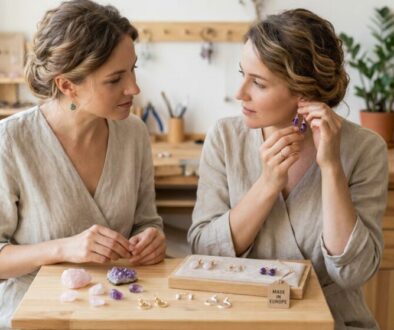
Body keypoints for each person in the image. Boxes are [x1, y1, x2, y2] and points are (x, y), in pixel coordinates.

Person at [188, 8, 387, 330]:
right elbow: (204, 251)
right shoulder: (225, 137)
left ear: (304, 91)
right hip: (239, 319)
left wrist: (332, 167)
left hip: (335, 322)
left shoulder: (365, 149)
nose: (240, 94)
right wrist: (267, 185)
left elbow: (353, 272)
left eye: (259, 83)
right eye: (243, 75)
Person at [0, 1, 166, 327]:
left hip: (119, 310)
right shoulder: (11, 141)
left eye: (133, 69)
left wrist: (151, 237)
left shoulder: (133, 133)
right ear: (66, 85)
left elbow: (147, 221)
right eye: (115, 79)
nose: (134, 88)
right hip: (34, 317)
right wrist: (64, 248)